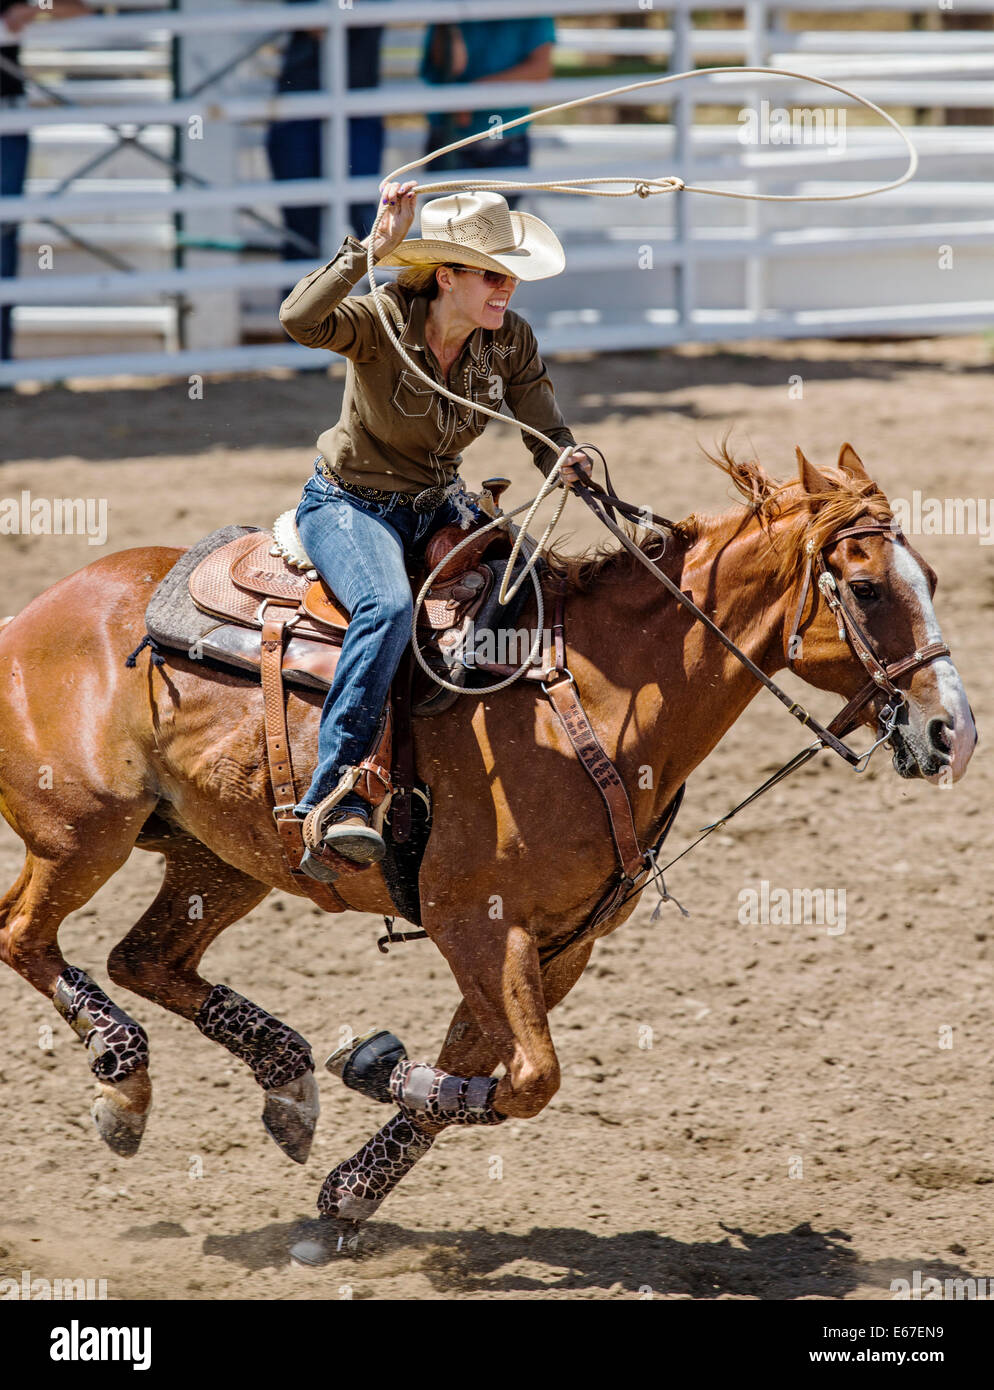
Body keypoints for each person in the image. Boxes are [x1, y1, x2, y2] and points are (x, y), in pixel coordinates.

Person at [278, 184, 592, 881]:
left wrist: (563, 457)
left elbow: (541, 420)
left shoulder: (507, 339)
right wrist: (369, 251)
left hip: (438, 507)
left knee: (540, 587)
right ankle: (338, 791)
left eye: (510, 273)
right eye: (492, 273)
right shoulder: (383, 318)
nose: (506, 287)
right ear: (446, 275)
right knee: (386, 607)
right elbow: (299, 319)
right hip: (349, 506)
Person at [0, 0, 91, 363]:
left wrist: (32, 7)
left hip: (6, 118)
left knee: (3, 239)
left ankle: (2, 365)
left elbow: (76, 8)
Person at [265, 0, 387, 261]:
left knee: (367, 225)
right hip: (302, 108)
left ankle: (373, 298)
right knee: (301, 230)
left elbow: (329, 18)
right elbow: (321, 20)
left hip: (353, 107)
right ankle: (303, 299)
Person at [419, 17, 555, 196]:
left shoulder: (531, 10)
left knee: (499, 218)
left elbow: (540, 69)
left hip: (504, 138)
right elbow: (449, 64)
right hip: (455, 138)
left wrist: (475, 93)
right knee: (448, 218)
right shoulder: (450, 11)